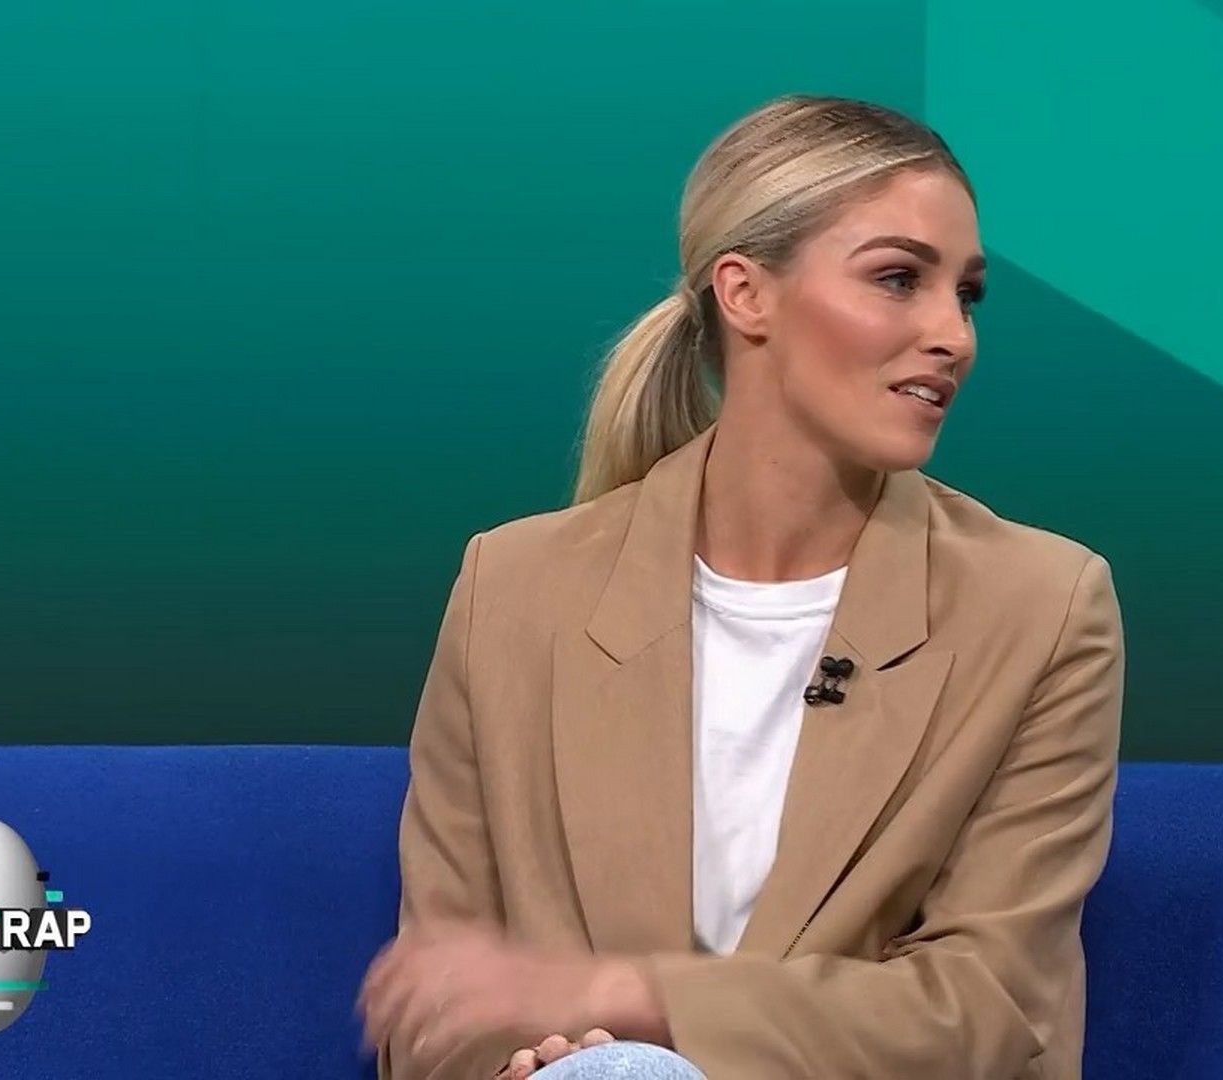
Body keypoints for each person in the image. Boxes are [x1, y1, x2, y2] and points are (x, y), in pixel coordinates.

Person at [355, 93, 1126, 1080]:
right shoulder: (511, 592)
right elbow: (441, 1005)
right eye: (899, 278)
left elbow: (987, 1006)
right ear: (746, 294)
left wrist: (628, 999)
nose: (954, 335)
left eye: (966, 295)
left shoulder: (1042, 608)